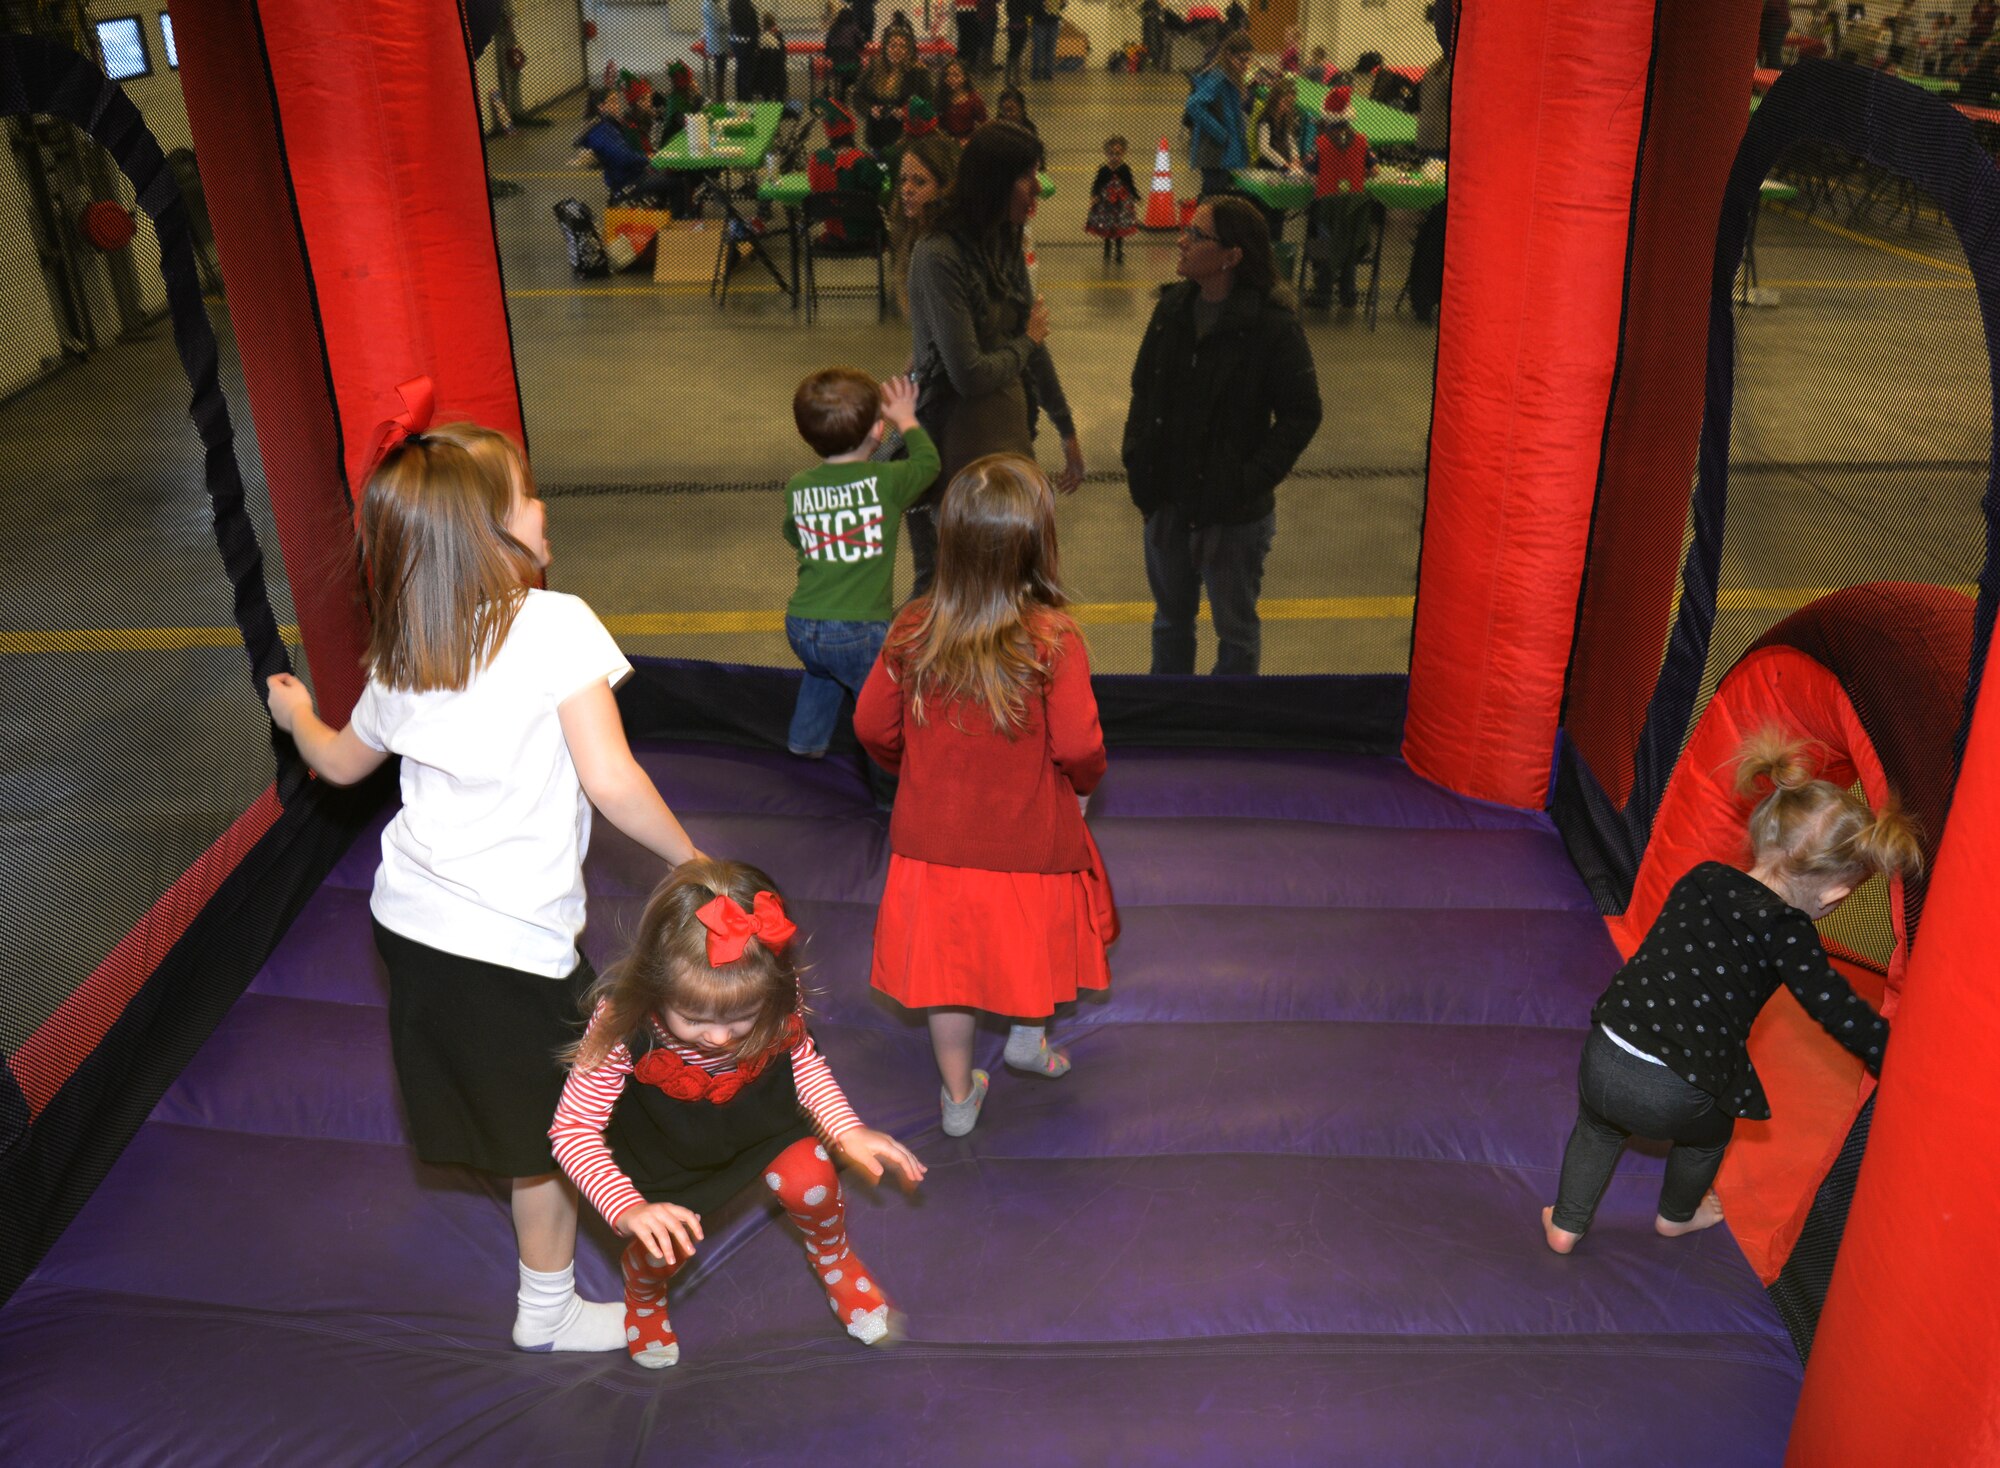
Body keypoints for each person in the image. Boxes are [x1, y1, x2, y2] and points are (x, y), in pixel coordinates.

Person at [265, 417, 702, 1357]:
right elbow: (612, 779)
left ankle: (551, 1273)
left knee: (542, 1101)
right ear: (492, 537)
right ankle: (543, 1309)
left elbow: (340, 767)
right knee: (546, 1133)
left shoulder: (409, 646)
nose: (546, 510)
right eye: (528, 498)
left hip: (414, 927)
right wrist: (692, 863)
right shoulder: (555, 624)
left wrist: (299, 712)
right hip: (504, 943)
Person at [1541, 732, 1922, 1255]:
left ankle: (1566, 1223)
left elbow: (1669, 958)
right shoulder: (1791, 931)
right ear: (1836, 893)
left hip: (1603, 1050)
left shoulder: (1703, 877)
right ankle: (1677, 1215)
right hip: (1673, 1091)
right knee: (1710, 1132)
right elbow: (1833, 1007)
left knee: (1598, 1126)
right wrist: (1895, 1052)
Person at [550, 859, 926, 1366]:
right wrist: (630, 1208)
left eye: (743, 1019)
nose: (720, 1039)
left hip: (760, 1126)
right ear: (654, 985)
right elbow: (573, 1130)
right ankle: (643, 1297)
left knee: (811, 1179)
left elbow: (803, 1062)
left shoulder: (775, 995)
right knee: (660, 1246)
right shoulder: (622, 1023)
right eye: (694, 1019)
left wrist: (847, 1128)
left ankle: (833, 1257)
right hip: (668, 1153)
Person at [857, 455, 1117, 1137]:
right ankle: (1027, 1040)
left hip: (931, 845)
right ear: (1037, 543)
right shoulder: (1053, 638)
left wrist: (908, 766)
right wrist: (1081, 788)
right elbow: (1080, 745)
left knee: (949, 977)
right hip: (1027, 840)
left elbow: (869, 725)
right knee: (1027, 946)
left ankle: (957, 1097)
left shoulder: (915, 627)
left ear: (949, 539)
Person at [1122, 197, 1322, 675]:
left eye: (1197, 234)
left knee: (1235, 633)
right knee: (1170, 624)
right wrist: (1141, 471)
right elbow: (1143, 391)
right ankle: (1173, 726)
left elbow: (1302, 413)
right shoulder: (1171, 308)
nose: (1182, 239)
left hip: (1232, 519)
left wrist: (1247, 480)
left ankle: (1231, 730)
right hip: (1167, 504)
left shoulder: (1271, 328)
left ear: (1232, 256)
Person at [907, 122, 1082, 595]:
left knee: (1015, 587)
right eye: (1028, 177)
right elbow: (967, 373)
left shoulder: (1007, 238)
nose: (1036, 190)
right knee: (947, 590)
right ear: (997, 183)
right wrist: (1024, 342)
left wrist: (1065, 427)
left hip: (1008, 439)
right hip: (952, 451)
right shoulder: (937, 255)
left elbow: (1033, 345)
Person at [782, 369, 940, 764]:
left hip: (802, 624)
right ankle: (890, 785)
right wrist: (907, 419)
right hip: (857, 631)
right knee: (882, 707)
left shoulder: (799, 485)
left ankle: (805, 742)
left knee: (822, 673)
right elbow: (928, 463)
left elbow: (794, 533)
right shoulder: (886, 481)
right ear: (877, 431)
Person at [1305, 85, 1373, 309]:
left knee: (1324, 244)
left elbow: (1311, 169)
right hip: (1354, 206)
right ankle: (1349, 293)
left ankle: (1322, 293)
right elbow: (1374, 169)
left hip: (1327, 205)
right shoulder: (1362, 141)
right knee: (1349, 246)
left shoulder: (1321, 143)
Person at [889, 134, 959, 315]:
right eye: (903, 179)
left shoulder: (942, 249)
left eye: (919, 182)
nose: (906, 190)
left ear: (946, 187)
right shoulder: (911, 236)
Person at [1186, 31, 1253, 197]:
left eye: (1248, 60)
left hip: (1229, 154)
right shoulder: (1217, 77)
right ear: (1229, 55)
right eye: (1242, 59)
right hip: (1216, 156)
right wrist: (1220, 133)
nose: (1246, 65)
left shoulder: (1232, 77)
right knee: (1212, 202)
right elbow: (1193, 104)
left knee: (1222, 203)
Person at [859, 27, 929, 151]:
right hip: (876, 136)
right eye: (893, 45)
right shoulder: (874, 67)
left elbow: (928, 102)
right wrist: (870, 109)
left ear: (908, 50)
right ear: (885, 47)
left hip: (905, 139)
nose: (897, 50)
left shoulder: (918, 72)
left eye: (902, 46)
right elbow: (858, 96)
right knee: (880, 168)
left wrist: (907, 112)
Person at [1086, 135, 1140, 263]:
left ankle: (1119, 250)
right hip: (1106, 202)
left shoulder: (1125, 169)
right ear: (1106, 153)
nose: (1114, 156)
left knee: (1119, 225)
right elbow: (1097, 184)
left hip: (1121, 202)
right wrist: (1095, 195)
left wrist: (1136, 196)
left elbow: (1130, 183)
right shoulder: (1104, 169)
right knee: (1107, 225)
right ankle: (1107, 248)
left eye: (1118, 153)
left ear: (1123, 153)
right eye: (1111, 153)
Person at [936, 56, 988, 140]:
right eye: (948, 75)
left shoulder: (974, 99)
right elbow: (937, 121)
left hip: (967, 140)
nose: (951, 79)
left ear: (965, 77)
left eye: (956, 75)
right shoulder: (942, 96)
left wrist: (971, 139)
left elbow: (983, 123)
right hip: (946, 139)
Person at [826, 1, 865, 102]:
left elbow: (828, 45)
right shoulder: (854, 27)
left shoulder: (834, 28)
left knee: (842, 76)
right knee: (855, 73)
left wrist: (830, 57)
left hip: (836, 64)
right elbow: (861, 44)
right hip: (851, 64)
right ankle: (845, 91)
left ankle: (841, 95)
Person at [1029, 0, 1062, 80]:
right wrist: (1042, 3)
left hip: (1053, 22)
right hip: (1039, 22)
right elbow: (1031, 7)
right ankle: (1035, 74)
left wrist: (1062, 3)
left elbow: (1060, 7)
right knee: (1038, 49)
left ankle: (1048, 74)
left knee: (1051, 49)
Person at [1004, 0, 1032, 86]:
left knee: (1012, 51)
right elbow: (1029, 13)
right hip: (1021, 27)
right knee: (1018, 52)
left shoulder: (1009, 2)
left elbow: (1008, 12)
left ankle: (1007, 78)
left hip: (1012, 26)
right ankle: (1016, 79)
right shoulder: (1025, 2)